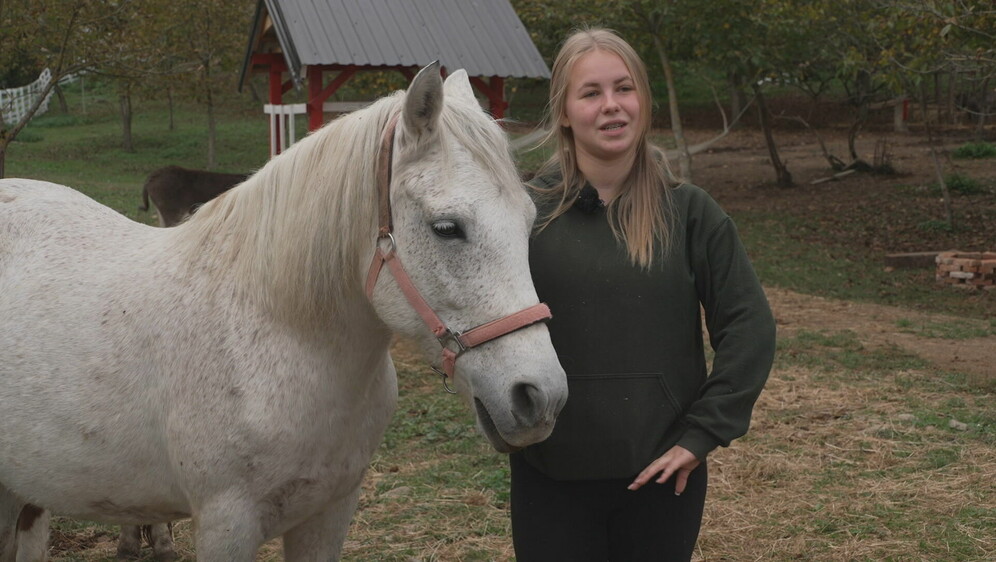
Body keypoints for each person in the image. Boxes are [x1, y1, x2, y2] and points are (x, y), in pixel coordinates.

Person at [511, 28, 776, 561]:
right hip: (549, 475)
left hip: (663, 476)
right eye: (590, 93)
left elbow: (748, 327)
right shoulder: (521, 214)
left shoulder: (691, 213)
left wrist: (701, 436)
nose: (611, 106)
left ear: (643, 100)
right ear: (564, 111)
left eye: (624, 89)